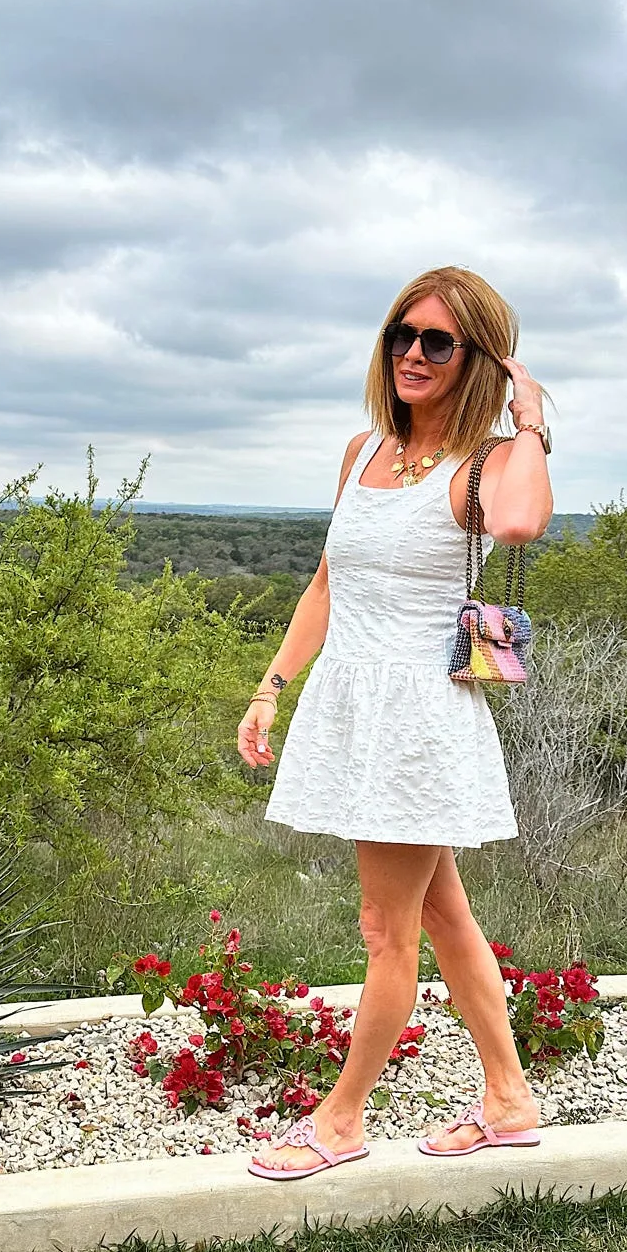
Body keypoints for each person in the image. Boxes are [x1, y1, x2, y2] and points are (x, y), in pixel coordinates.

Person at [238, 266, 554, 1180]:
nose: (413, 353)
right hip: (351, 704)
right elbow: (329, 583)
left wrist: (528, 419)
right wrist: (271, 688)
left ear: (477, 357)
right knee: (445, 915)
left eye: (439, 341)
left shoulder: (489, 464)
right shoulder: (360, 453)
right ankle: (508, 1101)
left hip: (419, 720)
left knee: (388, 933)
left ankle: (339, 1120)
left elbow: (525, 524)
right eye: (400, 336)